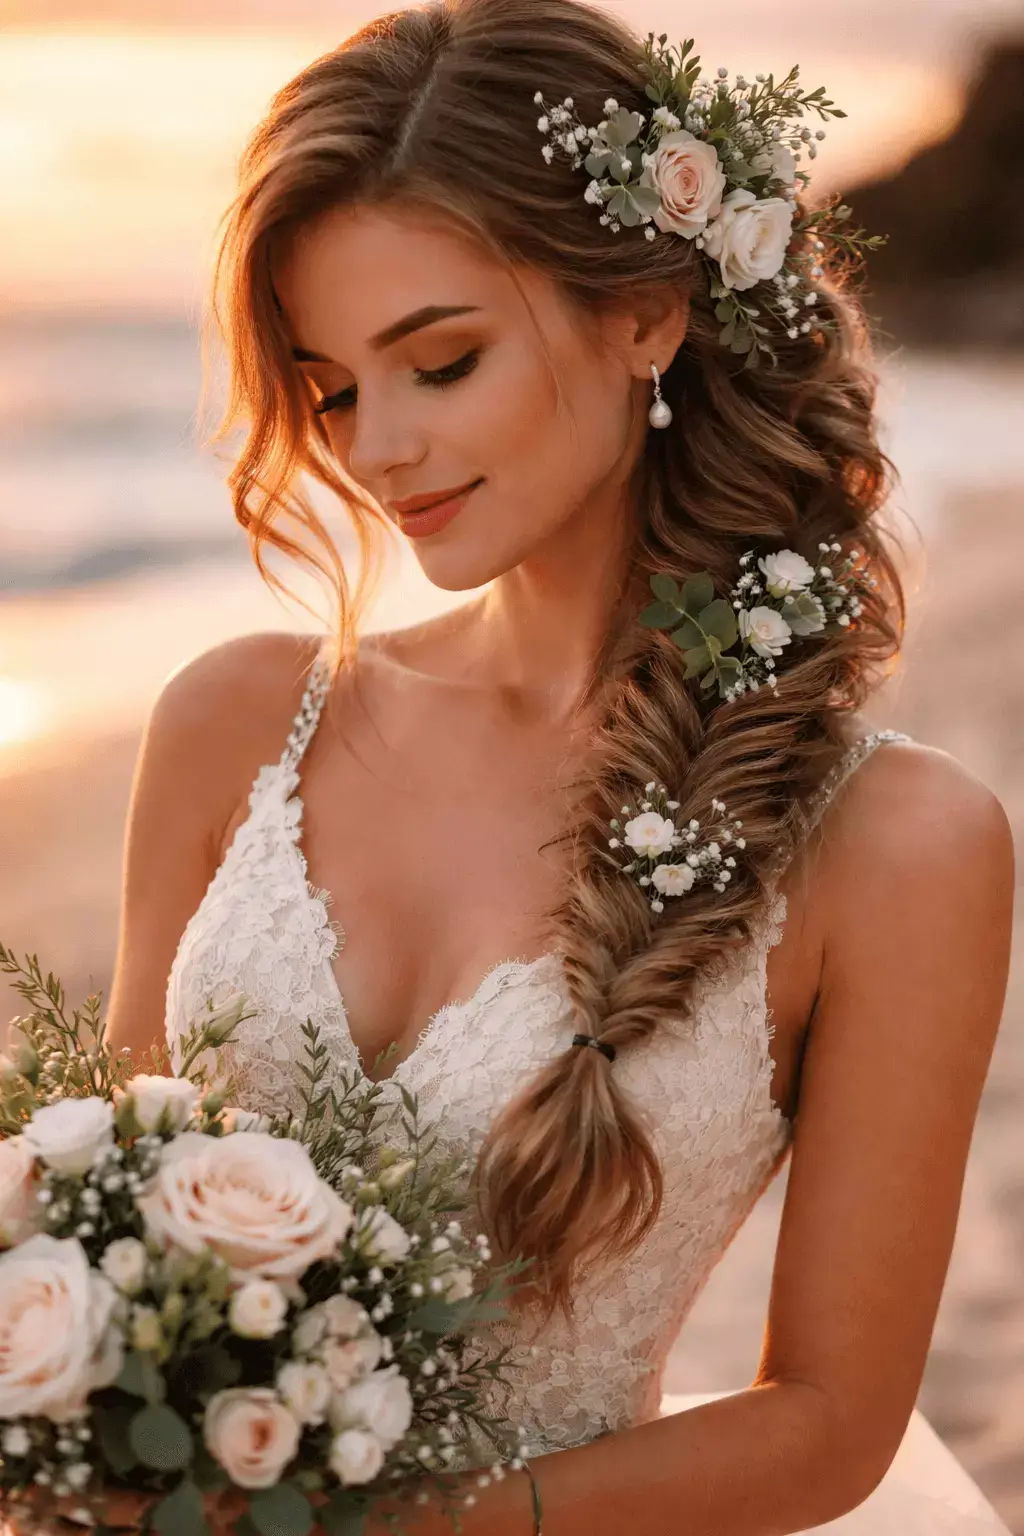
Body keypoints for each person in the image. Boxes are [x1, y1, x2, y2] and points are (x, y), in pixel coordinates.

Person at [88, 1, 1014, 1532]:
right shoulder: (235, 723)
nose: (375, 447)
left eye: (438, 362)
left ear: (647, 312)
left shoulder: (899, 842)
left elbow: (833, 1419)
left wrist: (417, 1529)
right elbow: (113, 1212)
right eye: (330, 391)